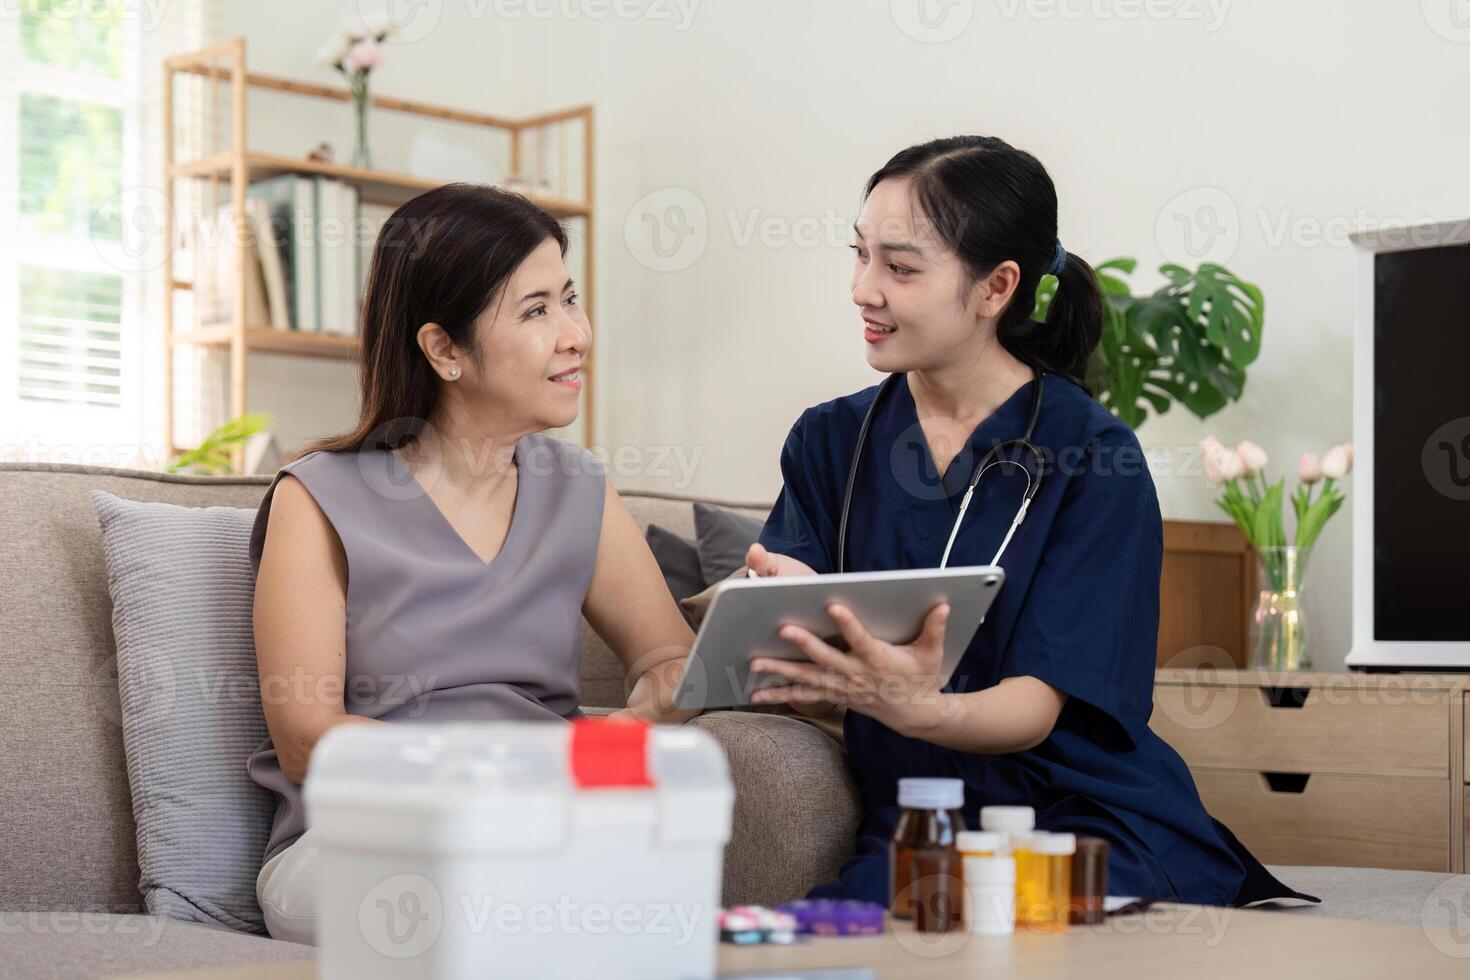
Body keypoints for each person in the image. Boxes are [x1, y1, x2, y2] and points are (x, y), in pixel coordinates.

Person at [743, 136, 1318, 909]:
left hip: (1081, 818)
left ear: (996, 287)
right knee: (829, 933)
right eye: (860, 255)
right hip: (922, 819)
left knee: (1004, 917)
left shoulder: (1092, 456)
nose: (863, 289)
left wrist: (921, 707)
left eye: (900, 267)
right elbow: (793, 670)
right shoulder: (828, 444)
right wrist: (790, 625)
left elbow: (1037, 706)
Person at [247, 183, 698, 944]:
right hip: (360, 841)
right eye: (536, 311)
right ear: (444, 349)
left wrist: (630, 724)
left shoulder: (578, 490)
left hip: (542, 828)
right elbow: (306, 735)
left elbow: (670, 660)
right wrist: (495, 774)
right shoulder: (318, 497)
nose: (577, 335)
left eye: (570, 298)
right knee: (501, 901)